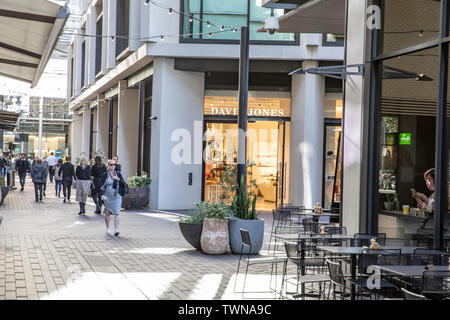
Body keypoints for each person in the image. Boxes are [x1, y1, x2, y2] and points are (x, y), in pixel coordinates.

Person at [100, 159, 126, 236]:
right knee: (107, 213)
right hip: (108, 196)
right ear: (108, 166)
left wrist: (118, 179)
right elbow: (101, 186)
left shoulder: (118, 174)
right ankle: (108, 228)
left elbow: (123, 183)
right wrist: (102, 194)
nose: (113, 166)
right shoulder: (105, 174)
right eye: (111, 164)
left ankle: (116, 230)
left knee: (116, 213)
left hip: (117, 195)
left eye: (114, 164)